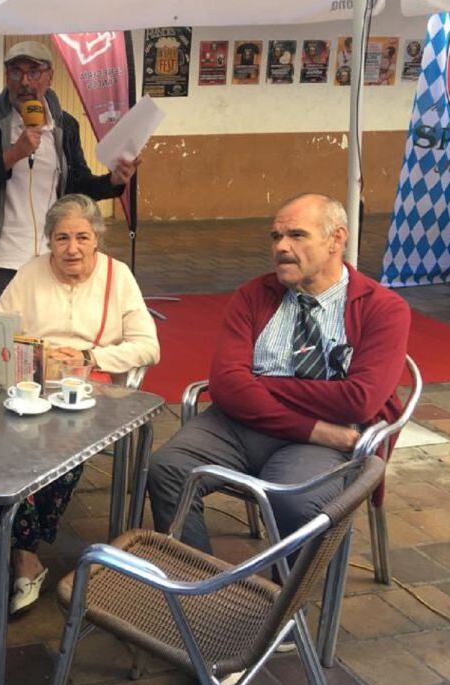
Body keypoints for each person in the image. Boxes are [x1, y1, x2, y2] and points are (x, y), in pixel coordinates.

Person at [148, 194, 409, 554]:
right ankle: (193, 583)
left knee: (295, 502)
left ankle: (279, 603)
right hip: (276, 427)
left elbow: (358, 401)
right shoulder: (254, 295)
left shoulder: (384, 309)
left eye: (297, 236)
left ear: (336, 239)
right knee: (169, 468)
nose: (281, 247)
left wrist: (260, 384)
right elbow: (227, 385)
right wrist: (317, 429)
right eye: (276, 237)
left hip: (312, 442)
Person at [0, 194, 160, 612]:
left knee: (56, 450)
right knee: (13, 449)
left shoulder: (117, 276)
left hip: (92, 388)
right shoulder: (31, 273)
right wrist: (32, 353)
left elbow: (148, 346)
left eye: (82, 237)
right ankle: (23, 552)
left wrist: (90, 357)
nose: (72, 248)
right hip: (32, 383)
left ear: (97, 240)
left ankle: (21, 553)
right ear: (49, 240)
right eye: (61, 237)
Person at [0, 40, 139, 309]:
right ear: (7, 77)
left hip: (48, 255)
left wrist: (113, 181)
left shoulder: (65, 125)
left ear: (50, 77)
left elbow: (77, 186)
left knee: (43, 341)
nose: (25, 81)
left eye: (34, 72)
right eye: (16, 73)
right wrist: (14, 154)